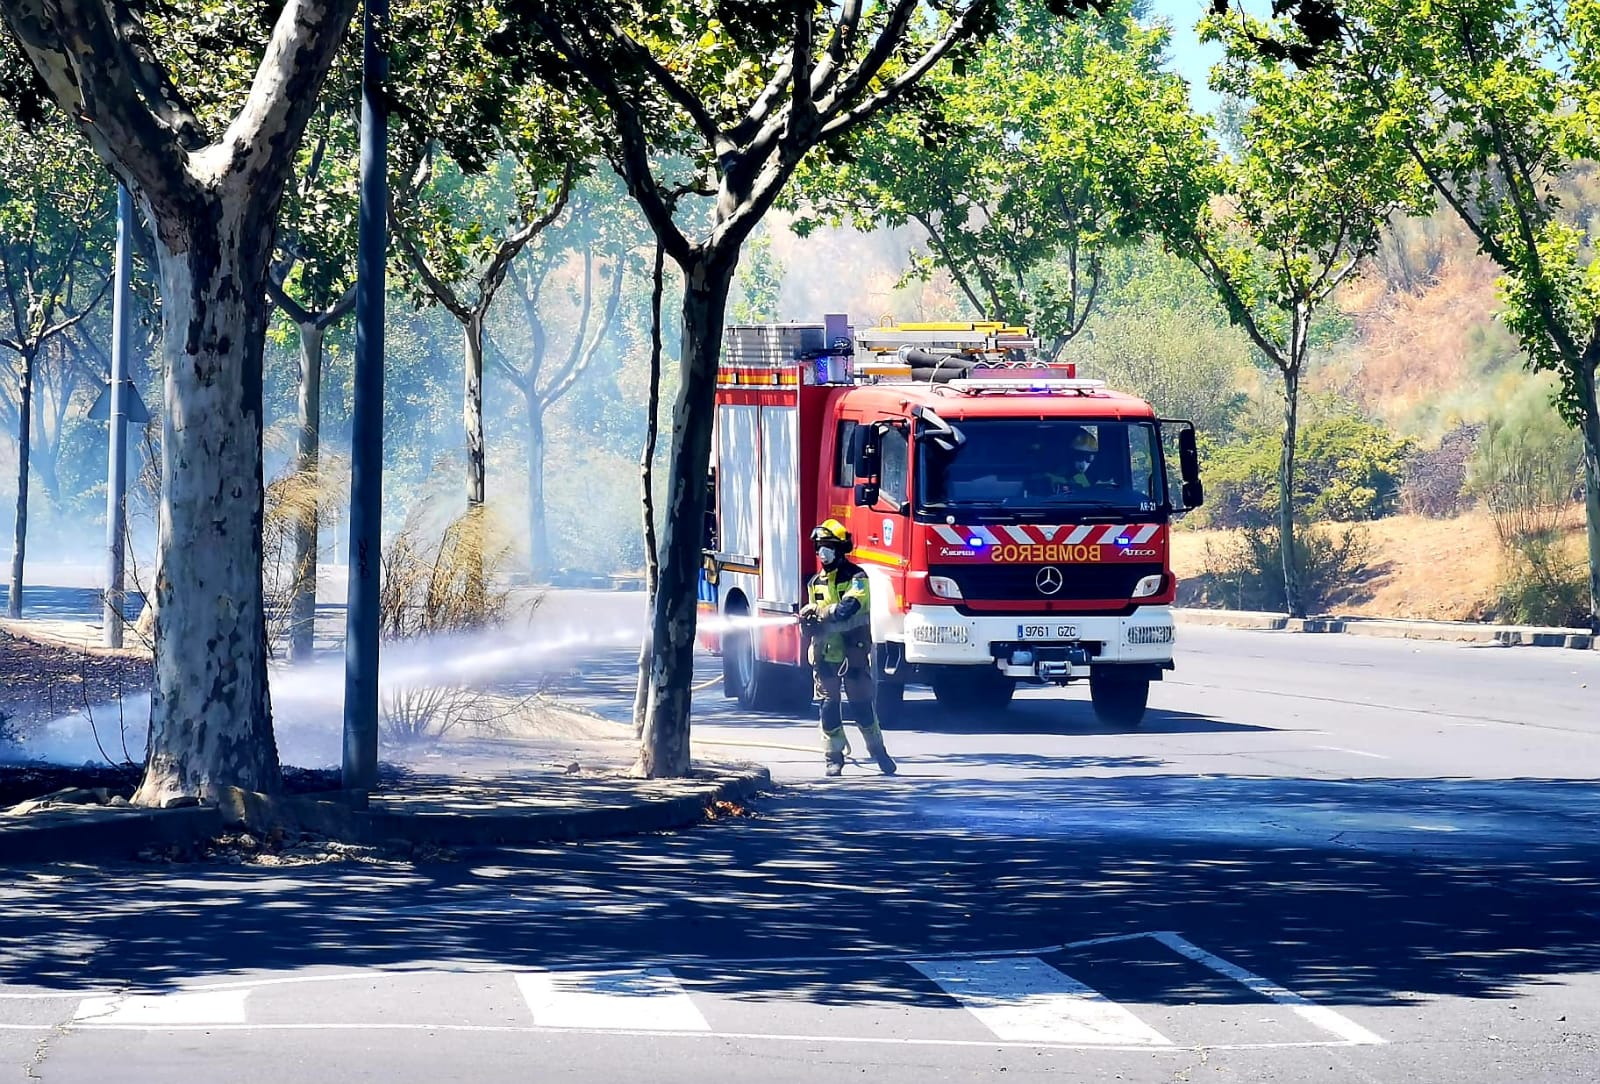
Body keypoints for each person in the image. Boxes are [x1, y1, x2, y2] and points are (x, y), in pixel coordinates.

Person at [798, 519, 897, 777]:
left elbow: (848, 608)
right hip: (825, 651)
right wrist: (807, 622)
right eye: (819, 546)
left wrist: (821, 612)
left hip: (854, 649)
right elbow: (814, 620)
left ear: (841, 548)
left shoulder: (857, 578)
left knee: (862, 704)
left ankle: (878, 751)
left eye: (828, 546)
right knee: (828, 705)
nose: (822, 552)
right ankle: (833, 755)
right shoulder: (814, 583)